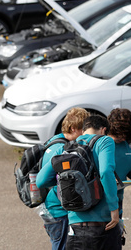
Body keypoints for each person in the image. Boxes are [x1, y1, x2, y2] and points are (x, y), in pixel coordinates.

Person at [37, 115, 121, 250]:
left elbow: (40, 181)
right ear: (103, 130)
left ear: (83, 130)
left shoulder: (65, 148)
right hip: (103, 225)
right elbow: (106, 172)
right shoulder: (104, 141)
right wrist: (114, 208)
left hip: (75, 228)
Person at [39, 107, 90, 250]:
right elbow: (43, 181)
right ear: (74, 128)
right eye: (83, 130)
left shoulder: (55, 140)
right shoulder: (61, 150)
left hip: (51, 208)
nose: (85, 134)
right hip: (58, 210)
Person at [106, 108, 131, 243]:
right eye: (119, 135)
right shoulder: (102, 142)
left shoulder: (129, 142)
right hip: (101, 200)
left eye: (125, 135)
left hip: (118, 197)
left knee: (116, 237)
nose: (122, 138)